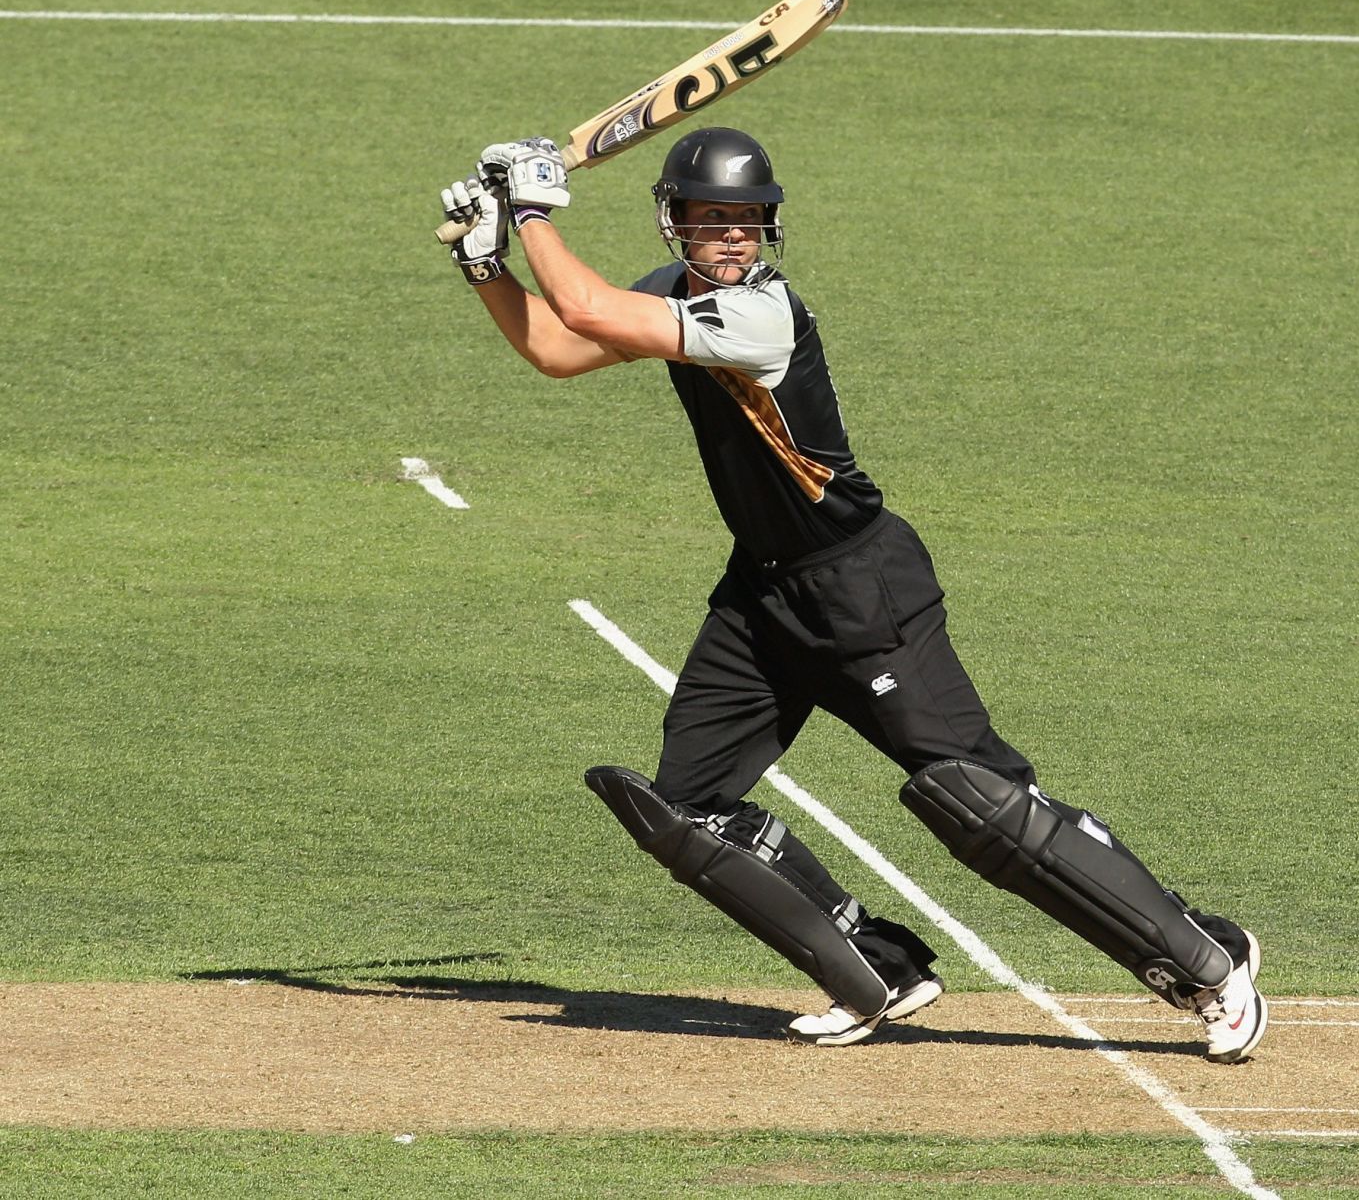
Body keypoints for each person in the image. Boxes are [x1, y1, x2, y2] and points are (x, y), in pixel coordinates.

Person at [437, 128, 1268, 1062]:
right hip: (762, 595)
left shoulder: (762, 317)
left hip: (862, 588)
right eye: (712, 220)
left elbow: (586, 309)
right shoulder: (674, 290)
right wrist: (486, 261)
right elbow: (557, 344)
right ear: (676, 222)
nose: (731, 237)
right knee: (692, 808)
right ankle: (876, 969)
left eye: (746, 220)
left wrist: (537, 208)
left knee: (979, 803)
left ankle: (1208, 962)